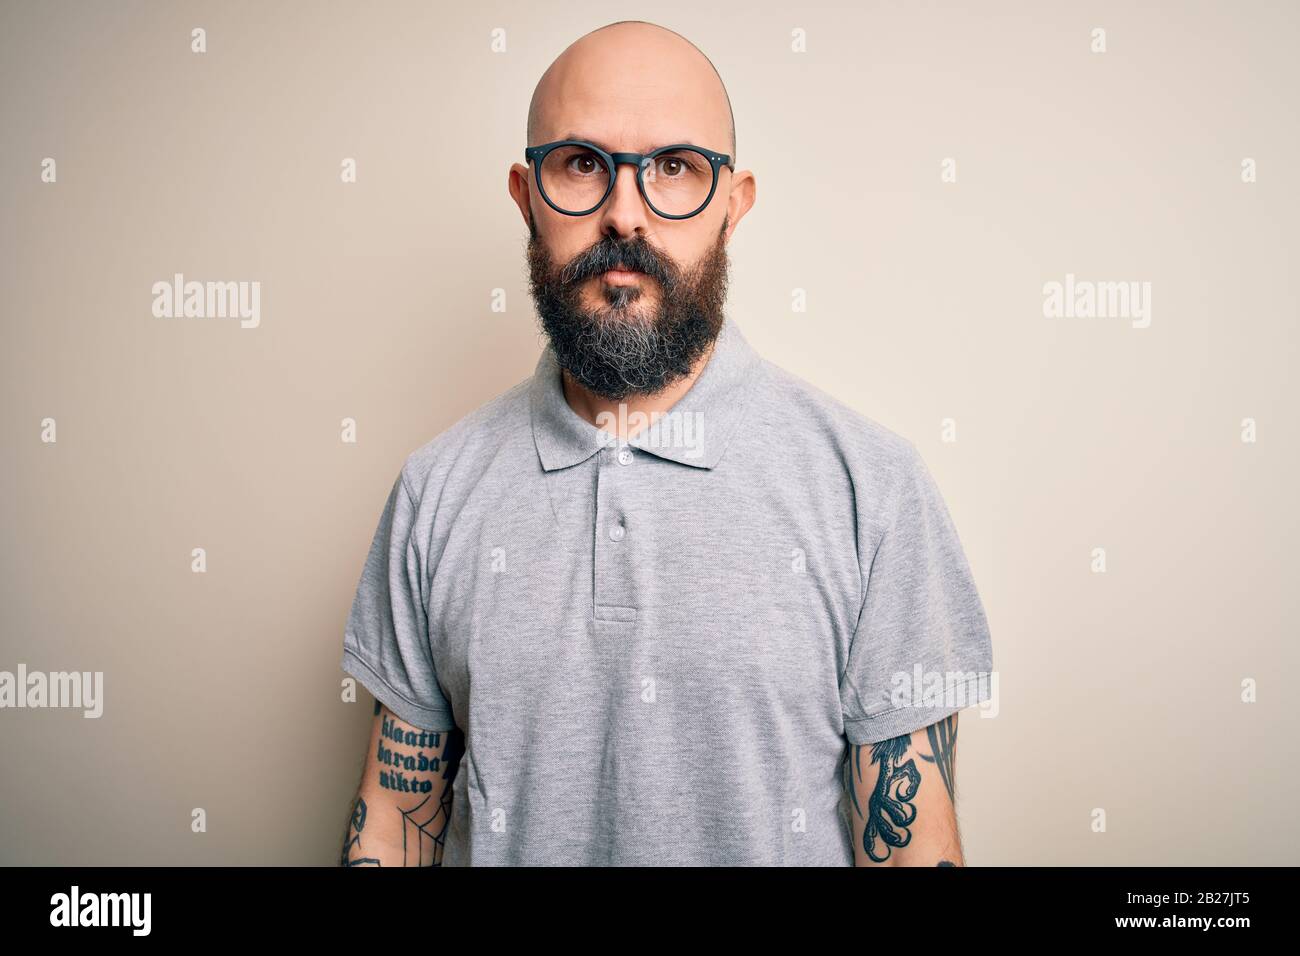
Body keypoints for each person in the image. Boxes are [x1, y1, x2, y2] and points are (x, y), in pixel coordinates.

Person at [338, 19, 993, 867]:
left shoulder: (872, 487)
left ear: (734, 201)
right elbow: (394, 819)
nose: (624, 214)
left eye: (674, 168)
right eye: (581, 164)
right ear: (525, 193)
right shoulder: (436, 493)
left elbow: (913, 850)